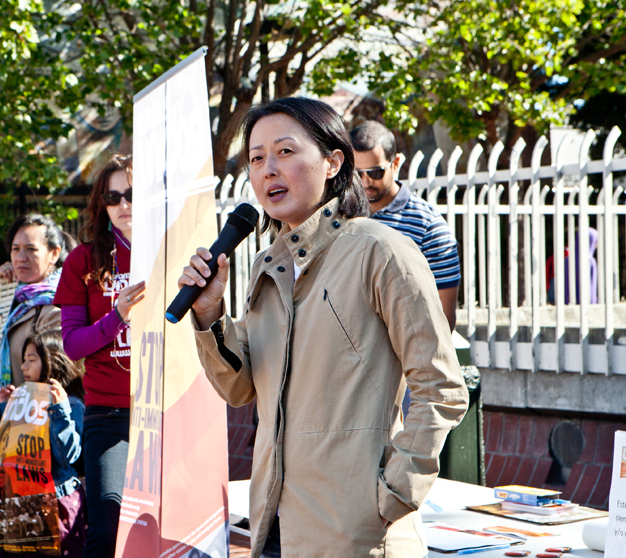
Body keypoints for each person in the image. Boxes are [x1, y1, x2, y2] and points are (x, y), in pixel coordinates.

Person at [178, 97, 469, 558]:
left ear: (334, 162)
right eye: (256, 159)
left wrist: (391, 495)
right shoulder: (266, 266)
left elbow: (441, 386)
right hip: (273, 526)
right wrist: (210, 314)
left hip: (354, 535)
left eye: (285, 152)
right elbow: (240, 389)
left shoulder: (381, 251)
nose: (268, 169)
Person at [54, 154, 146, 558]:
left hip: (166, 410)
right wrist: (118, 316)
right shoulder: (83, 261)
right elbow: (73, 345)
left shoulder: (169, 251)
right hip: (108, 416)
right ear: (102, 205)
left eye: (133, 194)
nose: (124, 205)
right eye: (114, 197)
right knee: (108, 528)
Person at [350, 120, 461, 331]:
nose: (365, 182)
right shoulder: (339, 215)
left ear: (396, 163)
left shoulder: (429, 226)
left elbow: (444, 319)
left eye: (375, 172)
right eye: (357, 174)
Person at [0, 214, 76, 445]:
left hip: (33, 434)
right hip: (1, 424)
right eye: (15, 249)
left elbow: (50, 377)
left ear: (54, 253)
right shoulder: (9, 297)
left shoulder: (58, 305)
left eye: (31, 249)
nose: (21, 258)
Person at [0, 329, 86, 557]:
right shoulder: (25, 400)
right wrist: (5, 408)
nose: (23, 366)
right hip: (23, 507)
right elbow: (8, 452)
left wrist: (60, 410)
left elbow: (68, 456)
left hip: (58, 505)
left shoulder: (71, 404)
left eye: (31, 360)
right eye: (24, 360)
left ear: (51, 362)